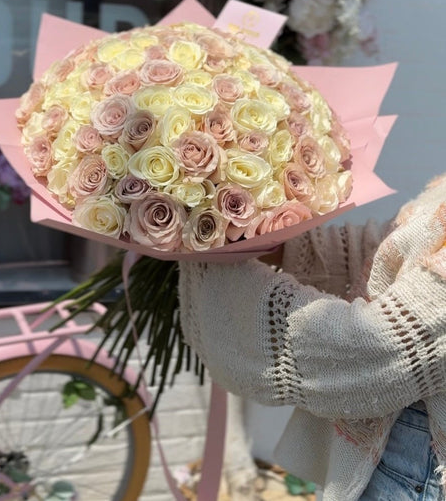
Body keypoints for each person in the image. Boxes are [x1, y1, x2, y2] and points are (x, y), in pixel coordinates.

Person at [179, 174, 446, 501]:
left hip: (420, 478)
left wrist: (214, 264)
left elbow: (376, 347)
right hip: (395, 463)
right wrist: (251, 234)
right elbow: (386, 248)